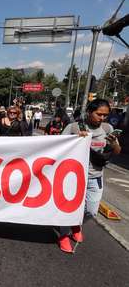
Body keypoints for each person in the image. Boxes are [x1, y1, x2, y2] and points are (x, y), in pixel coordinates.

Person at [57, 99, 121, 253]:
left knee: (91, 211)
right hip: (73, 177)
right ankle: (63, 235)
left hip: (95, 176)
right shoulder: (73, 127)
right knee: (68, 208)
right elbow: (58, 147)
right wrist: (75, 140)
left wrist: (114, 145)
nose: (102, 118)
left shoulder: (108, 128)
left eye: (105, 115)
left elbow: (117, 151)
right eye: (99, 114)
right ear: (89, 112)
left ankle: (75, 225)